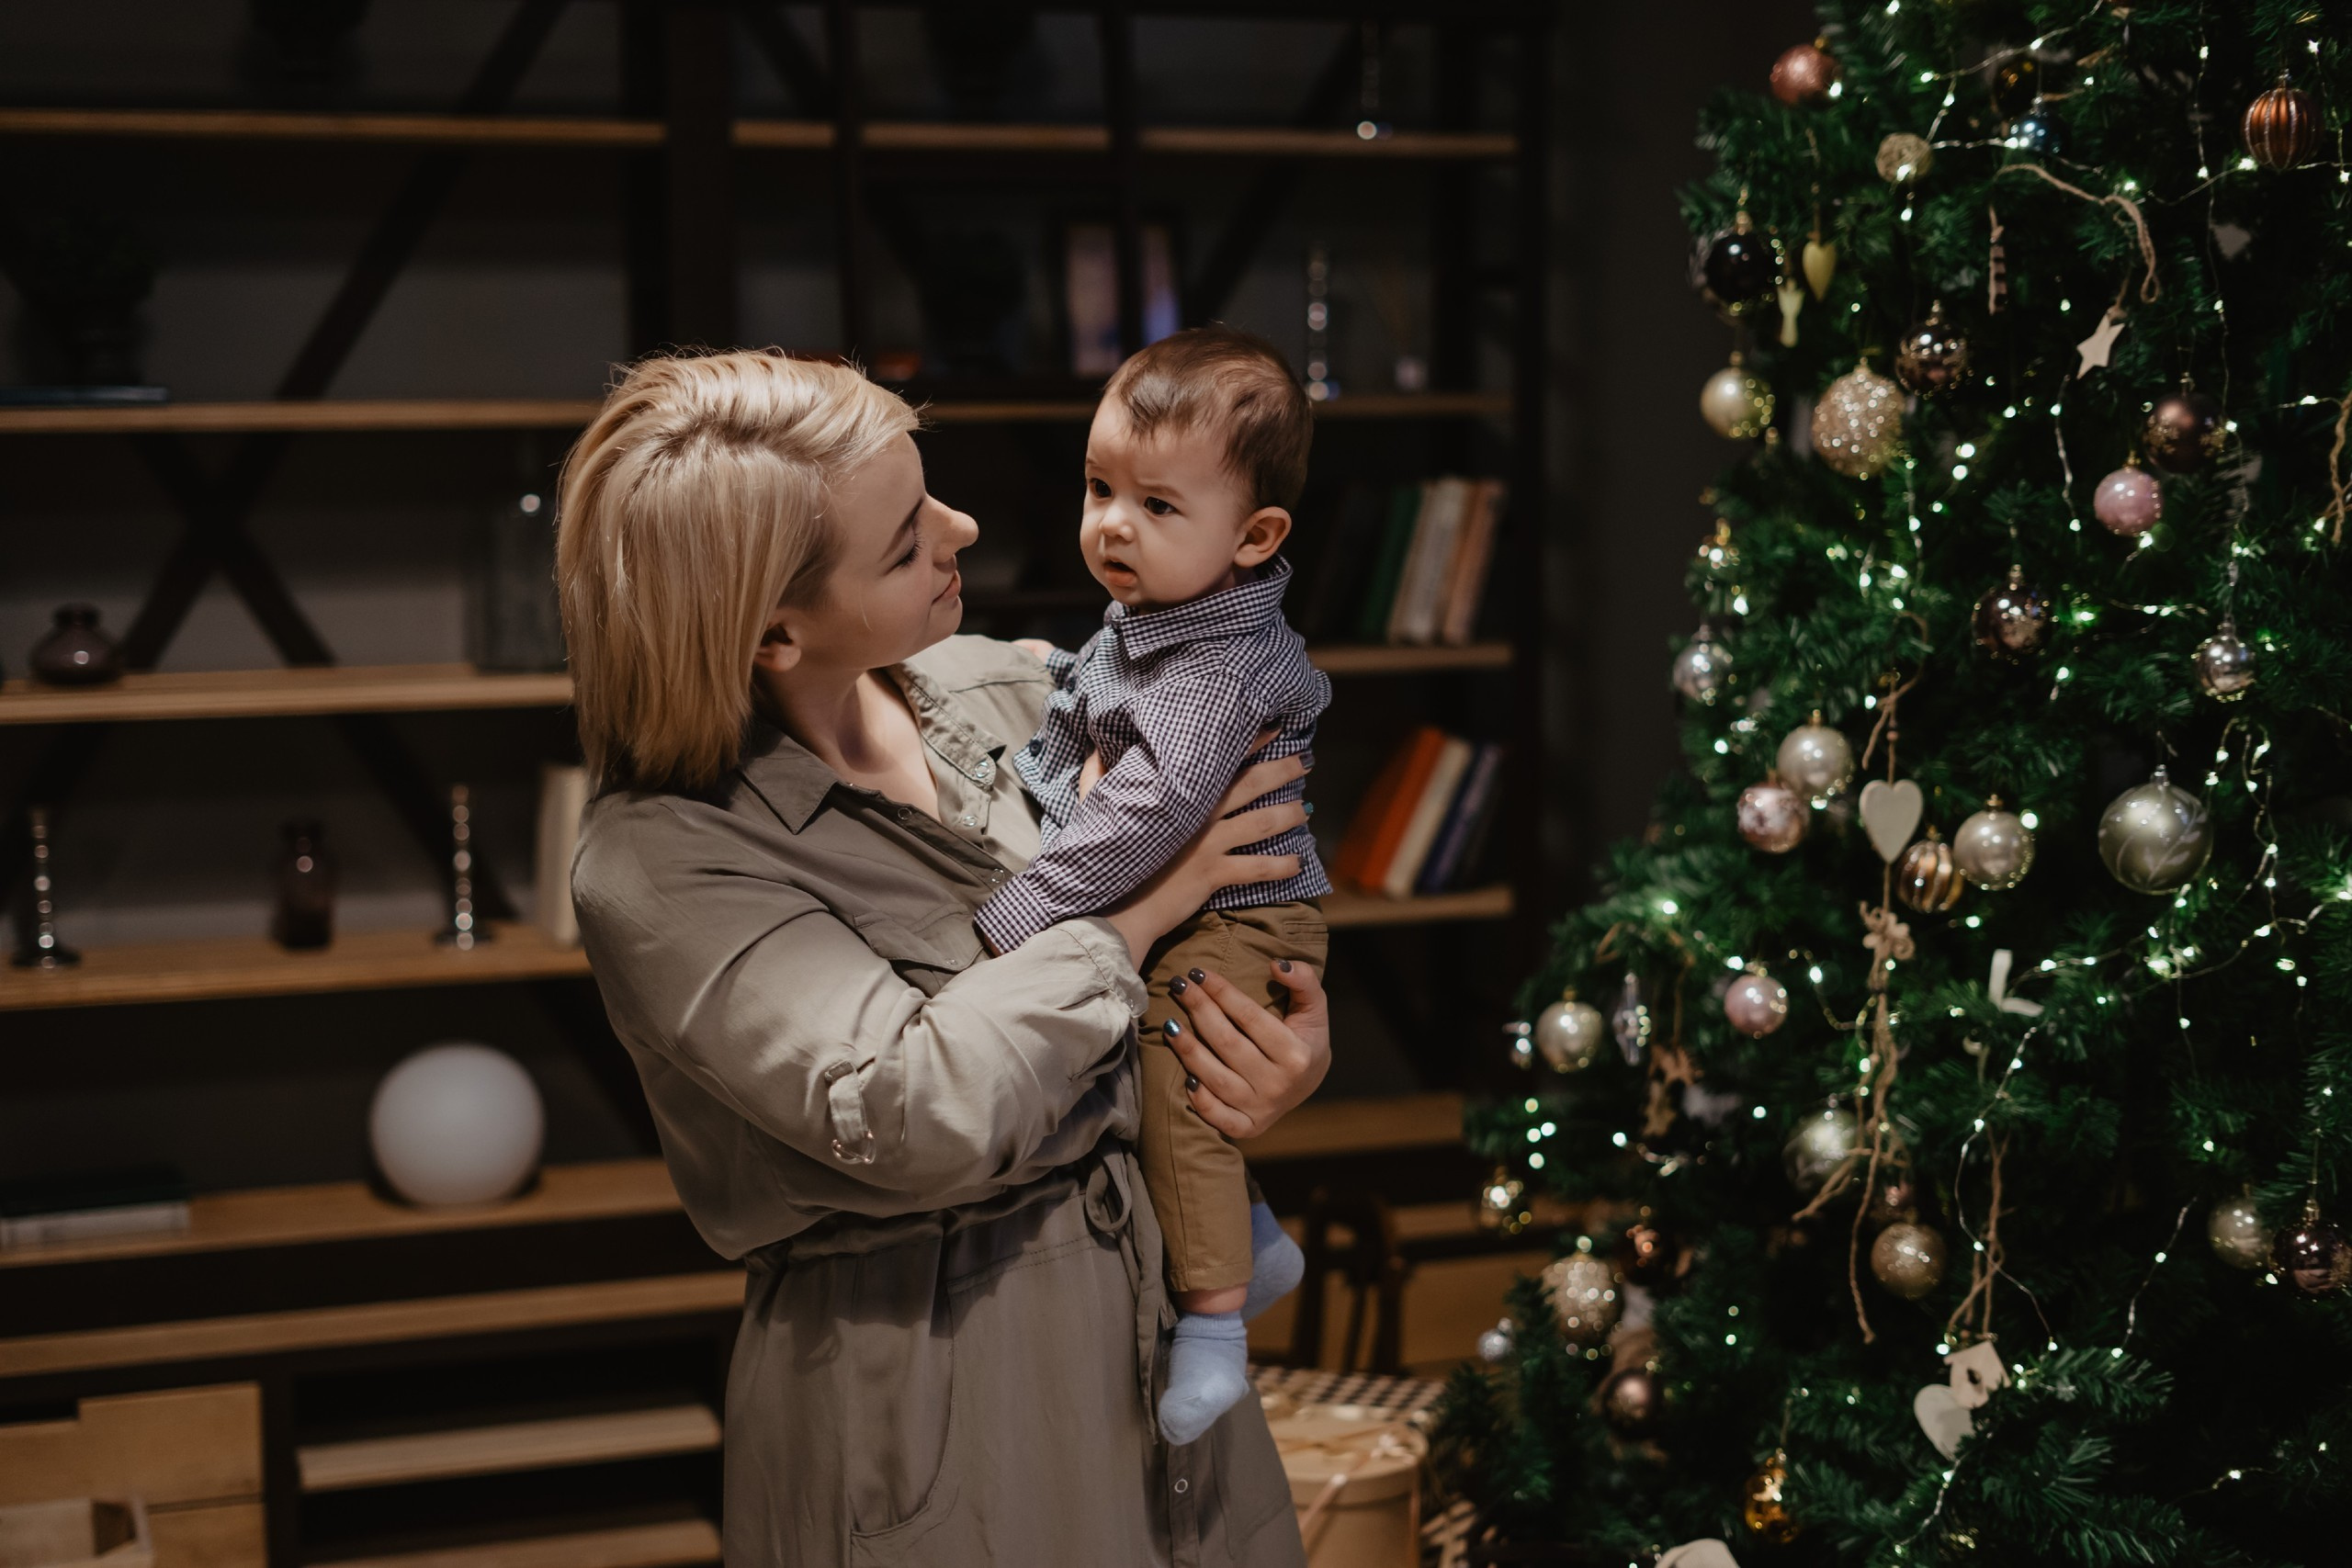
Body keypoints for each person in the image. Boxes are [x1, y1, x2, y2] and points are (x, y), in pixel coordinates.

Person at [557, 348, 1326, 1566]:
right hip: (935, 1392)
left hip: (1150, 1325)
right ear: (772, 630)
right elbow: (919, 1108)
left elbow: (1218, 925)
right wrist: (1133, 918)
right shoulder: (661, 862)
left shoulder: (1003, 688)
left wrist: (1273, 1043)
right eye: (909, 536)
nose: (964, 527)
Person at [976, 328, 1329, 1446]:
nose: (1113, 524)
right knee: (1132, 1080)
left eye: (1157, 505)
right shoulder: (1164, 616)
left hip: (1238, 910)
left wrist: (1019, 916)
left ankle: (1217, 1338)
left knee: (1178, 1089)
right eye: (1098, 487)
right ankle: (1257, 1237)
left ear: (1254, 536)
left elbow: (1151, 817)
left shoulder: (1215, 666)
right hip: (1205, 894)